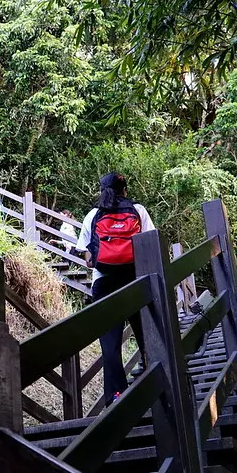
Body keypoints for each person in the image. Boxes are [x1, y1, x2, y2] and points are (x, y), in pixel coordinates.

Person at [75, 172, 155, 406]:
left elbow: (88, 259)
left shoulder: (92, 215)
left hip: (104, 282)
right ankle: (155, 381)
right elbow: (150, 245)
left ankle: (116, 396)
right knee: (147, 333)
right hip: (135, 280)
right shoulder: (138, 211)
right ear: (125, 190)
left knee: (110, 342)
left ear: (102, 191)